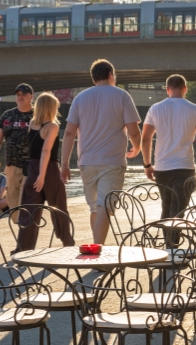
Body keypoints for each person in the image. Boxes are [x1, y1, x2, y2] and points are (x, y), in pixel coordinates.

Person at [61, 59, 142, 243]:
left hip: (87, 163)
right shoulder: (122, 96)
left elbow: (69, 133)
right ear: (111, 75)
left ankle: (97, 247)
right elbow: (133, 130)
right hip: (112, 162)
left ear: (94, 77)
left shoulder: (80, 98)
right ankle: (96, 251)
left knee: (95, 208)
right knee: (105, 207)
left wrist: (65, 164)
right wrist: (137, 147)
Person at [140, 74, 196, 218]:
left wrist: (147, 164)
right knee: (178, 210)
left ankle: (169, 239)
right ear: (185, 89)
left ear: (167, 89)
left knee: (167, 207)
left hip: (162, 168)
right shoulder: (194, 109)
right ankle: (172, 239)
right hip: (184, 167)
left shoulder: (155, 109)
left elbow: (146, 138)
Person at [18, 92, 74, 251]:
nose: (57, 110)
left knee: (29, 210)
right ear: (51, 108)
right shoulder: (53, 126)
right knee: (59, 207)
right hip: (49, 170)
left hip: (32, 169)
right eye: (55, 107)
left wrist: (36, 173)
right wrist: (42, 175)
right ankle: (67, 242)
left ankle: (23, 248)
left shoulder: (32, 124)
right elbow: (46, 151)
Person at [0, 83, 34, 223]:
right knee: (13, 203)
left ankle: (26, 233)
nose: (20, 97)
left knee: (26, 201)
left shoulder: (38, 115)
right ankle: (21, 229)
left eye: (24, 94)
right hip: (12, 166)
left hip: (32, 166)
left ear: (31, 97)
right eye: (18, 95)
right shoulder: (8, 116)